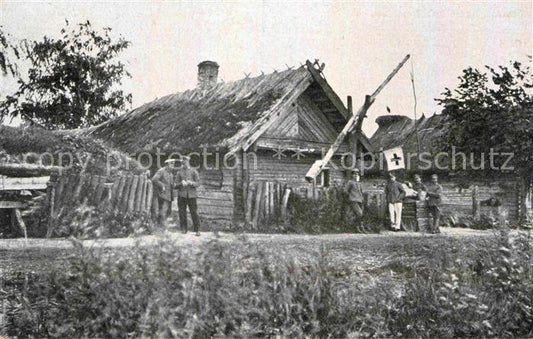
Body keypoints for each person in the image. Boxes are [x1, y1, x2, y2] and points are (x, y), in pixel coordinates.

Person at [175, 156, 201, 236]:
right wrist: (180, 183)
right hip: (182, 195)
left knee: (194, 212)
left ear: (188, 161)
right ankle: (184, 229)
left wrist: (191, 183)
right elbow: (175, 185)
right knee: (182, 212)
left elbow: (198, 183)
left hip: (192, 196)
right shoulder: (179, 172)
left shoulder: (194, 171)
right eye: (182, 162)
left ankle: (197, 230)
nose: (184, 164)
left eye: (185, 162)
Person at [151, 158, 176, 228]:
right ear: (167, 165)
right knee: (162, 211)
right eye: (171, 164)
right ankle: (160, 227)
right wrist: (162, 185)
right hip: (161, 195)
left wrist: (174, 185)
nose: (173, 166)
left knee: (168, 211)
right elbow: (154, 179)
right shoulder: (161, 171)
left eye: (173, 164)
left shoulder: (170, 173)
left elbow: (171, 184)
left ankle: (160, 226)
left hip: (169, 196)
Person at [344, 169, 367, 233]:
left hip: (360, 200)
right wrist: (350, 196)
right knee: (359, 213)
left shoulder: (359, 183)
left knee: (361, 214)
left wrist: (362, 198)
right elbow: (345, 191)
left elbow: (361, 192)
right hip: (353, 200)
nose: (356, 175)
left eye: (357, 174)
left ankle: (361, 228)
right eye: (354, 174)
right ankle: (357, 228)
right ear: (352, 175)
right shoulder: (350, 182)